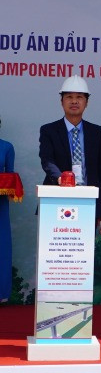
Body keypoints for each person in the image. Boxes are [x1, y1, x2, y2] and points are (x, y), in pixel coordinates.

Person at [39, 75, 101, 234]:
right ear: (61, 101)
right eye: (69, 97)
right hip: (57, 199)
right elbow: (47, 161)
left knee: (84, 253)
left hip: (88, 201)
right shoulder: (49, 130)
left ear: (86, 102)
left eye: (79, 97)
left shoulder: (96, 131)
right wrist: (61, 178)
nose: (74, 101)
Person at [0, 117, 15, 302]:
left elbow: (11, 176)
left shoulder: (7, 147)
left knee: (1, 246)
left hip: (0, 205)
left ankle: (1, 293)